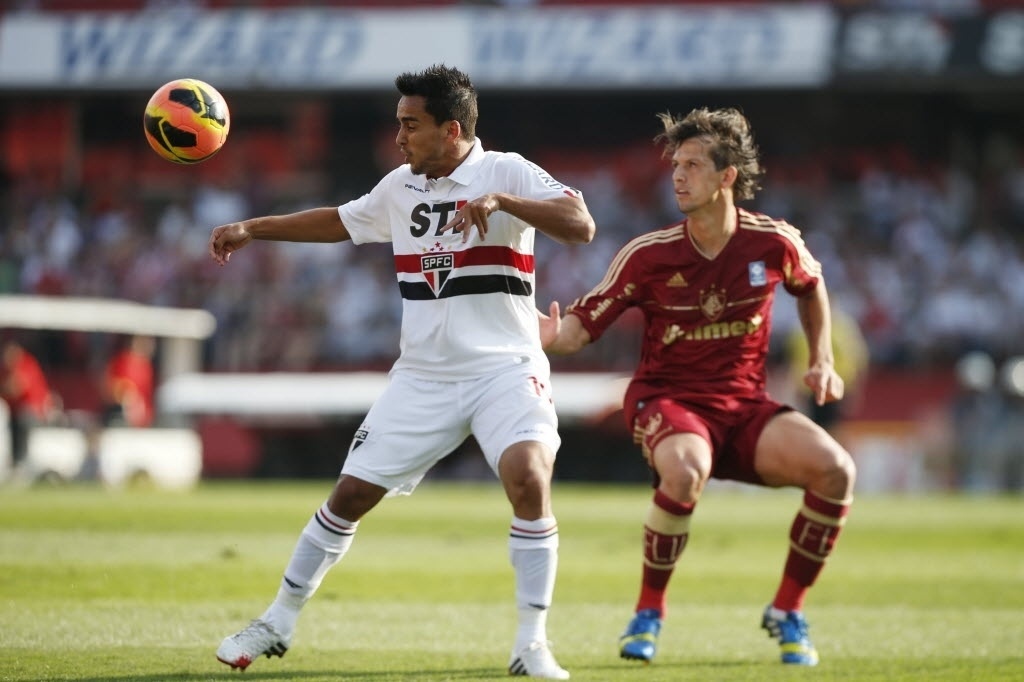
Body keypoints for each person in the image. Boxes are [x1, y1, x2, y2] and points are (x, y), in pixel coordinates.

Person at [209, 64, 595, 679]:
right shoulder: (400, 186)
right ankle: (277, 620)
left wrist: (502, 202)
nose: (399, 137)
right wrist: (254, 228)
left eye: (410, 125)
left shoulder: (507, 170)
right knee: (351, 495)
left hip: (505, 367)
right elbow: (339, 221)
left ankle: (531, 645)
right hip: (423, 377)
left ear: (452, 129)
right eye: (398, 124)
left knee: (528, 477)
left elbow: (580, 224)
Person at [540, 107, 855, 667]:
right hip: (668, 400)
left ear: (727, 175)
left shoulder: (772, 243)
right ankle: (648, 613)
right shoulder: (649, 254)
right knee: (685, 472)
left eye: (692, 165)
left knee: (836, 471)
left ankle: (788, 608)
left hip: (744, 408)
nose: (678, 177)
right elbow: (580, 330)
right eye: (675, 165)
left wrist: (822, 359)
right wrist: (548, 335)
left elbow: (811, 285)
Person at [1, 337, 58, 473]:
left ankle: (22, 462)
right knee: (12, 422)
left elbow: (17, 387)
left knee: (22, 420)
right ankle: (15, 462)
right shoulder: (8, 368)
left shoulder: (27, 364)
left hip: (36, 410)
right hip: (16, 411)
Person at [101, 334, 156, 428]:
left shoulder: (148, 367)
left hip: (143, 418)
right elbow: (111, 386)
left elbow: (147, 395)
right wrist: (128, 400)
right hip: (121, 413)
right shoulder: (122, 361)